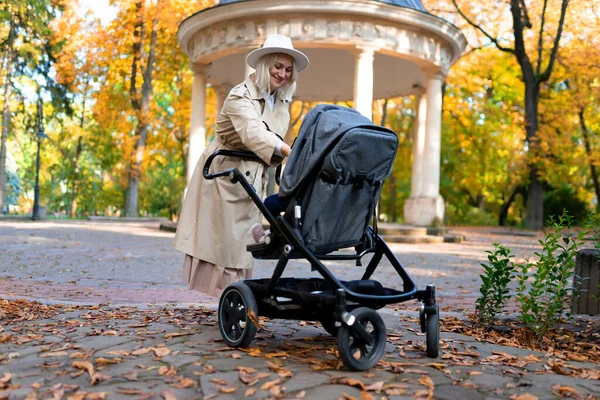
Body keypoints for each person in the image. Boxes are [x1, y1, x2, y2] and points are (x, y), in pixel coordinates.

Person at [174, 34, 309, 297]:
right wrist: (286, 151)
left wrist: (290, 152)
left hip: (252, 173)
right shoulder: (240, 96)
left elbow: (273, 135)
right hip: (226, 172)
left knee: (242, 243)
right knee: (226, 243)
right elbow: (254, 132)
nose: (282, 74)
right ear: (264, 65)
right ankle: (232, 300)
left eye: (288, 69)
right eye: (277, 66)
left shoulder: (280, 99)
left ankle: (237, 297)